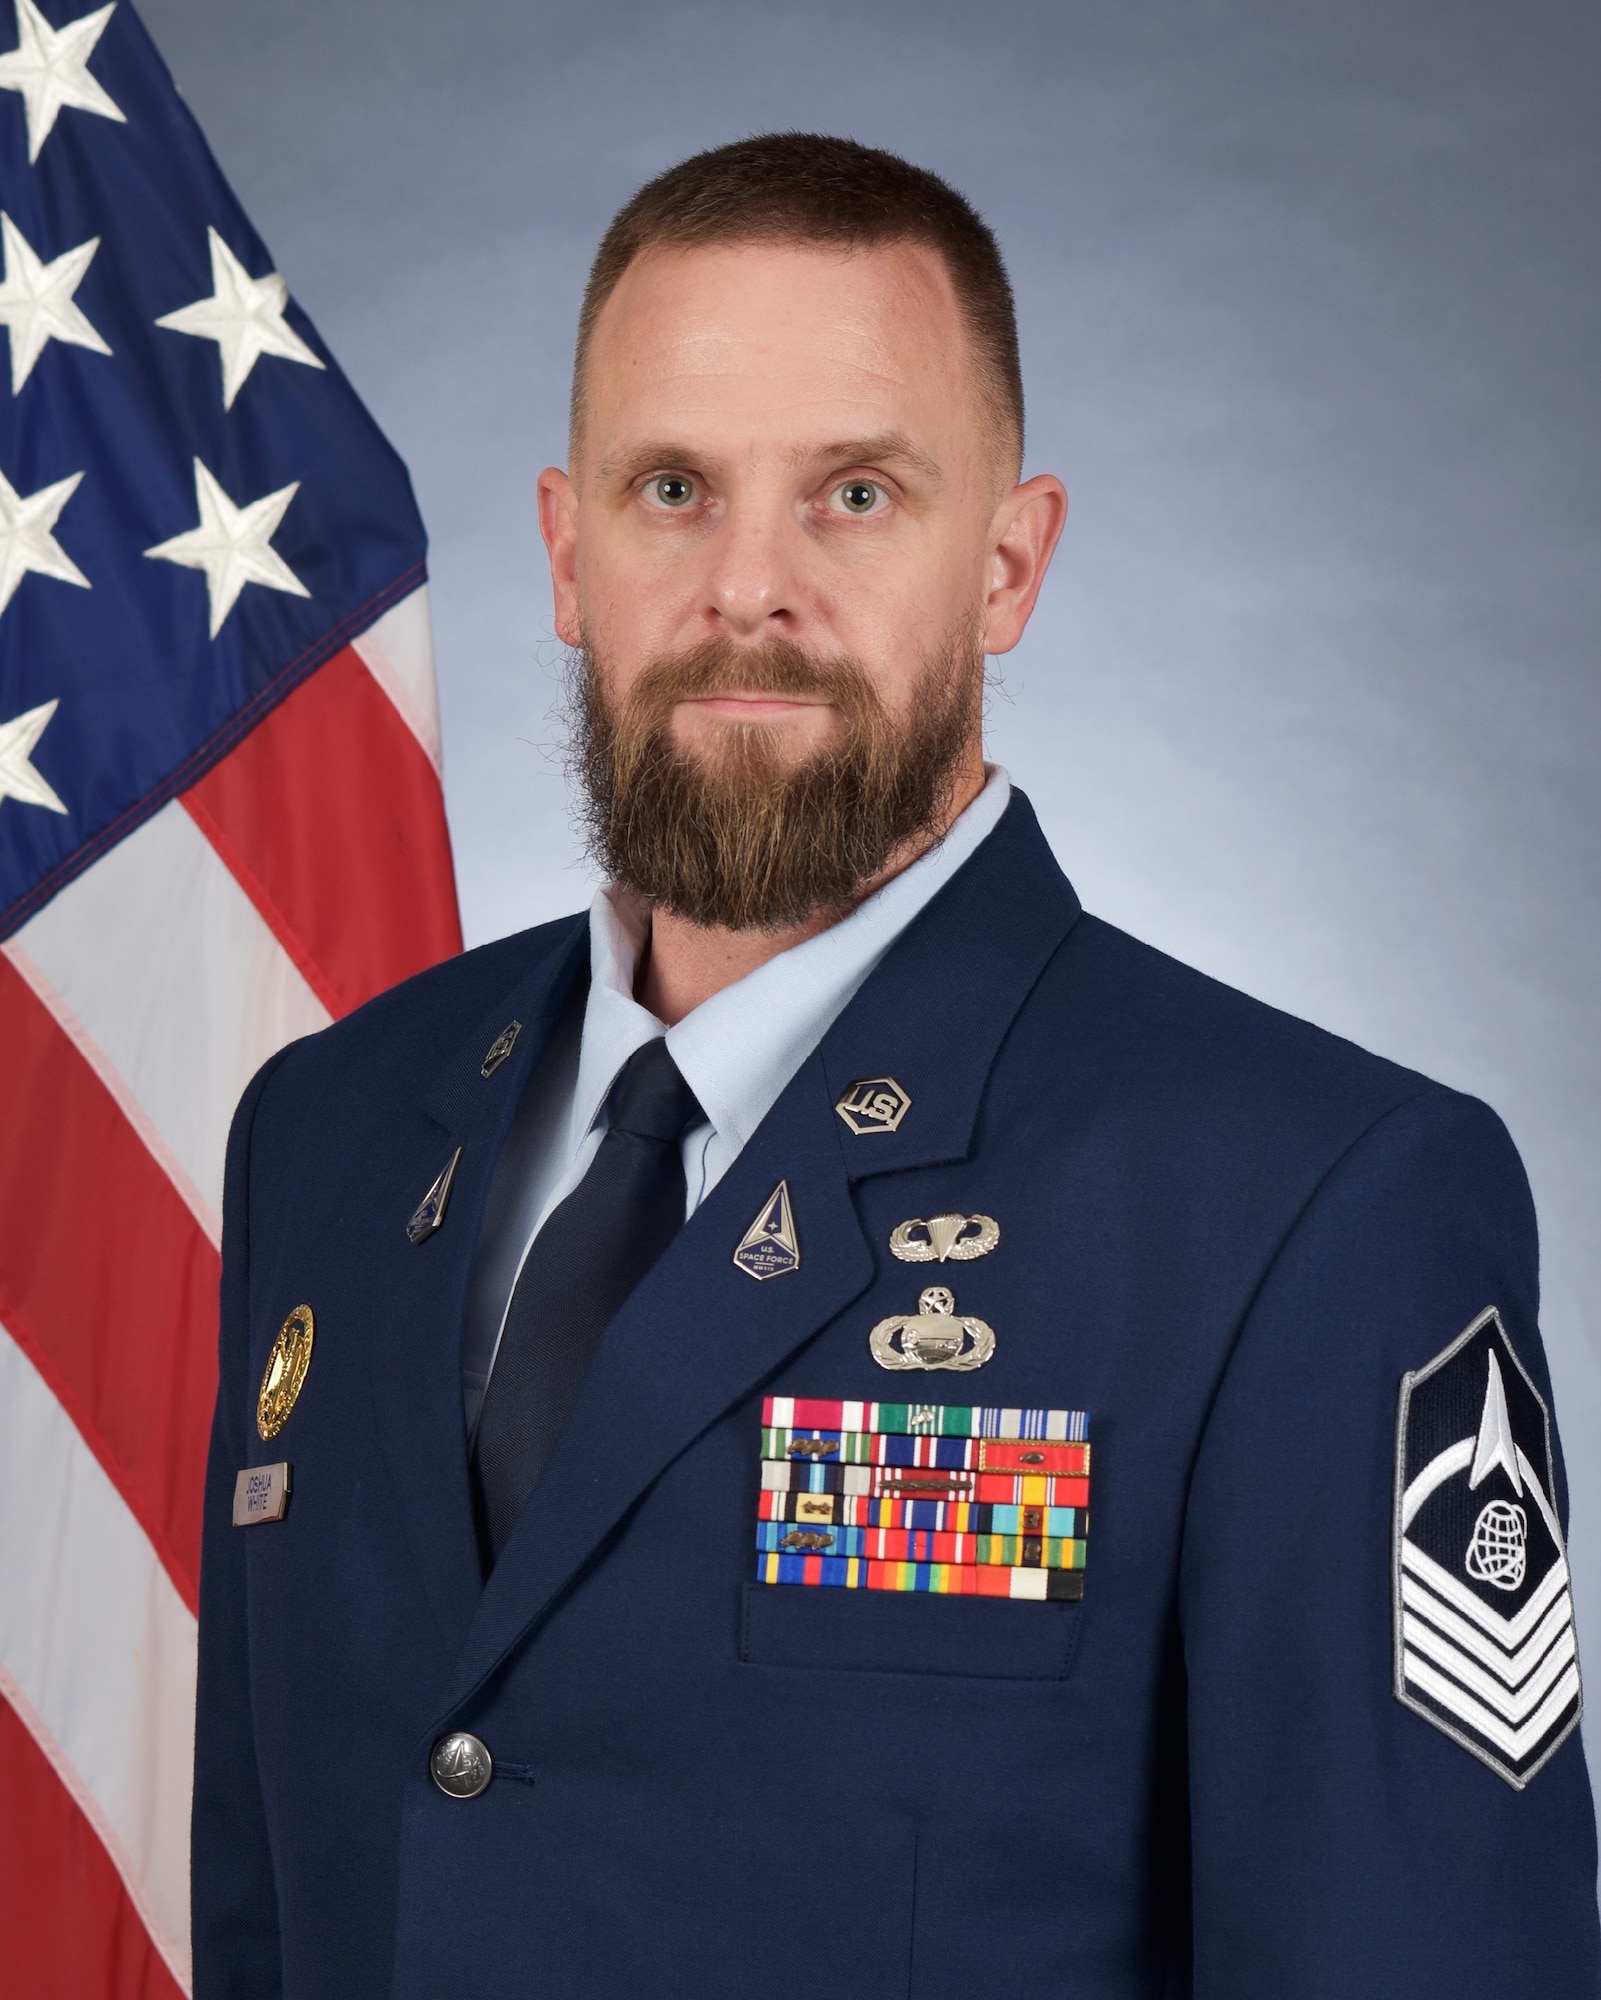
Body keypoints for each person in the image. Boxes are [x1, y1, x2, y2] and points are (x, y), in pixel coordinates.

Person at [192, 134, 1600, 1998]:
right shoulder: (331, 1134)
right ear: (565, 550)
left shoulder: (1308, 1207)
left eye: (853, 494)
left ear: (1005, 565)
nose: (747, 587)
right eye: (672, 489)